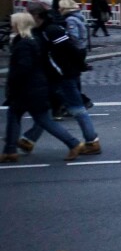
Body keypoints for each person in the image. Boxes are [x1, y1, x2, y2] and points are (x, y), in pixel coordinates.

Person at [2, 13, 85, 162]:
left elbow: (22, 69)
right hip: (34, 88)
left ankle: (73, 143)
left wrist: (13, 85)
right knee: (16, 115)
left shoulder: (23, 44)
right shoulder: (33, 40)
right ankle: (10, 150)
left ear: (19, 24)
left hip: (28, 90)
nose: (11, 25)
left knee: (43, 120)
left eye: (13, 23)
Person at [20, 1, 99, 156]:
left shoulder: (51, 30)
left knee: (76, 108)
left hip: (63, 75)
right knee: (46, 110)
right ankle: (28, 140)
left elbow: (69, 49)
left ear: (36, 16)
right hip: (53, 76)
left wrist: (79, 66)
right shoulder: (41, 30)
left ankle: (92, 141)